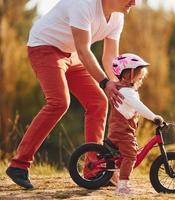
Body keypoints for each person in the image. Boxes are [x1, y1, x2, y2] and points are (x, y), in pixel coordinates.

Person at [6, 0, 136, 189]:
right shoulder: (84, 5)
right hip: (44, 47)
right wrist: (105, 83)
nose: (134, 2)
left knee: (98, 102)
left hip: (71, 54)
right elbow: (84, 50)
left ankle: (94, 170)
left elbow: (110, 58)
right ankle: (19, 165)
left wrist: (119, 85)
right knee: (59, 102)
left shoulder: (118, 17)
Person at [107, 53, 163, 194]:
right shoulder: (126, 92)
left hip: (123, 130)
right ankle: (122, 187)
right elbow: (139, 107)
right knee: (131, 155)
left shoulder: (127, 90)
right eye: (139, 77)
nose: (141, 80)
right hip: (121, 131)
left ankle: (119, 179)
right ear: (128, 75)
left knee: (128, 153)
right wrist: (154, 117)